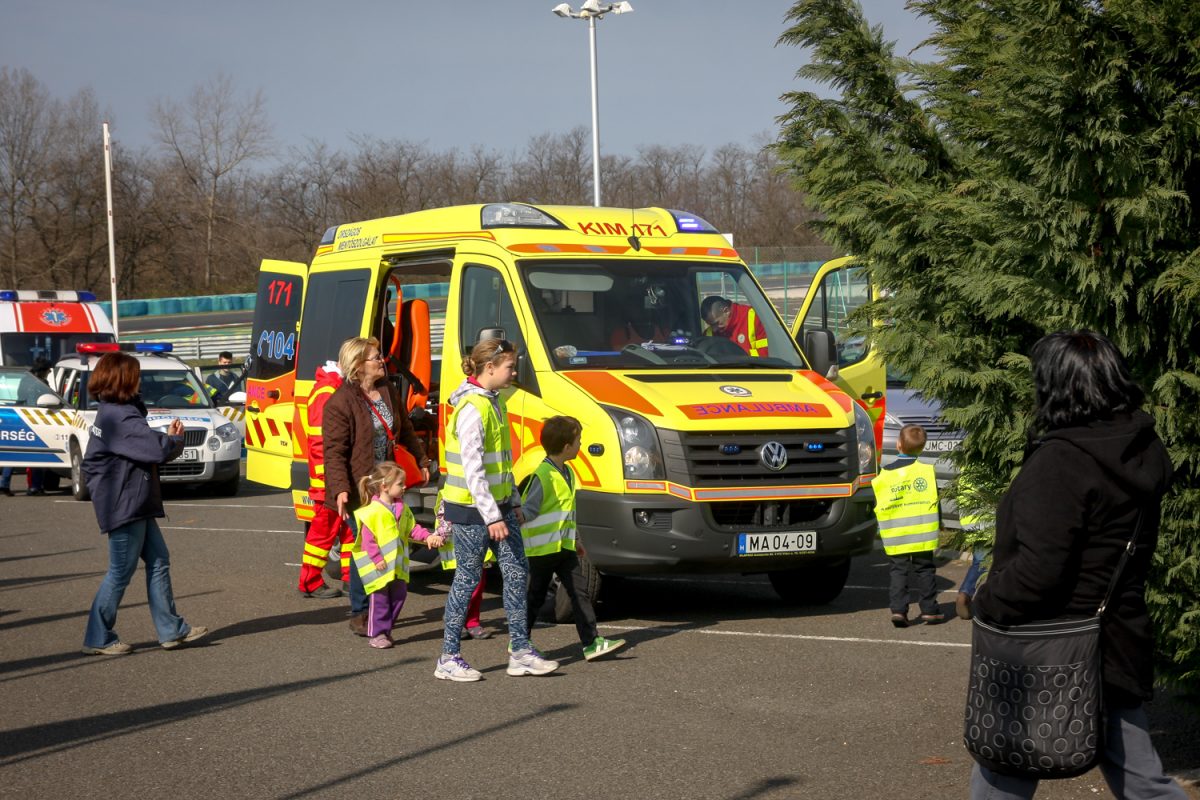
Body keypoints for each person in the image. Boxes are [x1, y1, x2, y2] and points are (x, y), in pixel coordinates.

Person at [967, 330, 1186, 799]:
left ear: (1056, 386)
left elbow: (1039, 572)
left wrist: (987, 601)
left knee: (1002, 766)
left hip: (1048, 647)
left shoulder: (1061, 461)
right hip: (1115, 640)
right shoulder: (1142, 447)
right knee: (1143, 782)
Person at [434, 338, 558, 681]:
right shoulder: (473, 408)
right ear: (489, 367)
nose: (514, 372)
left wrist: (513, 501)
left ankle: (520, 651)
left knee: (517, 573)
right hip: (471, 511)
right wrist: (492, 517)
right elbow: (473, 470)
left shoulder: (495, 402)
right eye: (510, 367)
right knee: (467, 579)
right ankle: (448, 657)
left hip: (499, 507)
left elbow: (502, 463)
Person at [80, 351, 207, 655]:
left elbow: (143, 445)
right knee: (121, 571)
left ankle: (171, 630)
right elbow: (154, 449)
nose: (139, 381)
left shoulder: (112, 411)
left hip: (130, 499)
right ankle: (98, 637)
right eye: (136, 376)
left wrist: (166, 439)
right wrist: (174, 439)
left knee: (159, 560)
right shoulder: (120, 417)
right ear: (123, 380)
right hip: (125, 503)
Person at [323, 337, 430, 636]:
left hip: (388, 484)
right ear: (358, 365)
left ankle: (381, 606)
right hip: (361, 489)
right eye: (375, 357)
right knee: (366, 550)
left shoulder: (387, 390)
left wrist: (421, 459)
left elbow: (405, 429)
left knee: (389, 544)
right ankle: (361, 611)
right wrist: (340, 489)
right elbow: (334, 452)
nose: (382, 360)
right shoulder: (340, 402)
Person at [522, 415, 626, 661]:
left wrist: (576, 540)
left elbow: (565, 512)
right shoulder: (543, 475)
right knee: (535, 598)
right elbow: (528, 511)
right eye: (578, 440)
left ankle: (591, 642)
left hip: (564, 549)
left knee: (580, 594)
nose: (581, 444)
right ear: (567, 446)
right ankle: (519, 641)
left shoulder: (567, 472)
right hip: (542, 552)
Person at [351, 461, 433, 649]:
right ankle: (377, 633)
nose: (404, 487)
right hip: (380, 566)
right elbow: (368, 540)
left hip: (396, 566)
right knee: (380, 600)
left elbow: (412, 528)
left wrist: (427, 536)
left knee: (399, 595)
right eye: (400, 484)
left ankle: (386, 630)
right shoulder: (372, 512)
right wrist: (377, 559)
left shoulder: (402, 508)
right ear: (384, 486)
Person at [871, 423, 944, 627]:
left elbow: (877, 502)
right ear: (922, 448)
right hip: (922, 532)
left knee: (898, 571)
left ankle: (899, 611)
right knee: (925, 570)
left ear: (898, 445)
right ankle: (929, 610)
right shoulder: (926, 472)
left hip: (896, 534)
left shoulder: (885, 474)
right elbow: (935, 500)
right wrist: (940, 522)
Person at [296, 359, 351, 599]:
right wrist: (327, 479)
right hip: (328, 480)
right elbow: (320, 443)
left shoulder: (335, 387)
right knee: (323, 532)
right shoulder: (327, 391)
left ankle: (350, 578)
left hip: (338, 477)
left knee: (349, 530)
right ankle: (309, 581)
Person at [700, 295, 769, 357]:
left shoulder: (754, 318)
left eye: (716, 323)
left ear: (726, 311)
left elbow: (767, 353)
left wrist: (735, 355)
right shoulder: (708, 334)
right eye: (711, 325)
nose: (714, 329)